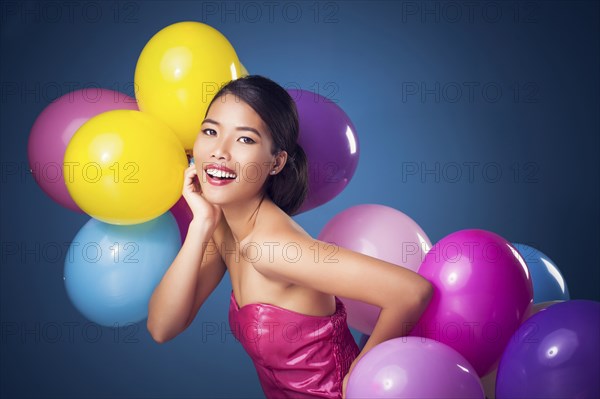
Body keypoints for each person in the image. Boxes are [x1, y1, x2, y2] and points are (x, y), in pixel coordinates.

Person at [147, 75, 433, 398]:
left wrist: (362, 375)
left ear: (276, 162)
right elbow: (161, 326)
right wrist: (201, 225)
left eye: (245, 140)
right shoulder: (224, 228)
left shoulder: (273, 247)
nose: (219, 152)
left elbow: (411, 292)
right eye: (211, 131)